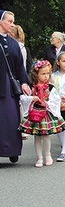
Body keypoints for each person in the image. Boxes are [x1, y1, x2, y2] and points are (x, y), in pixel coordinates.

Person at [18, 60, 65, 167]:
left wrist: (48, 103)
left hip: (45, 114)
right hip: (34, 114)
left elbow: (55, 99)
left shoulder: (50, 87)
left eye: (47, 73)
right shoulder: (32, 87)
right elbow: (23, 98)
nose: (45, 76)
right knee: (37, 136)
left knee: (45, 136)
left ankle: (47, 155)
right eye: (43, 74)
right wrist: (32, 98)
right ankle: (39, 157)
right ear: (36, 74)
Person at [0, 10, 30, 163]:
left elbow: (20, 67)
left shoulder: (13, 44)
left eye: (13, 22)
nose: (12, 24)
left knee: (12, 119)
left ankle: (12, 150)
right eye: (9, 21)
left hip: (10, 88)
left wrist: (24, 82)